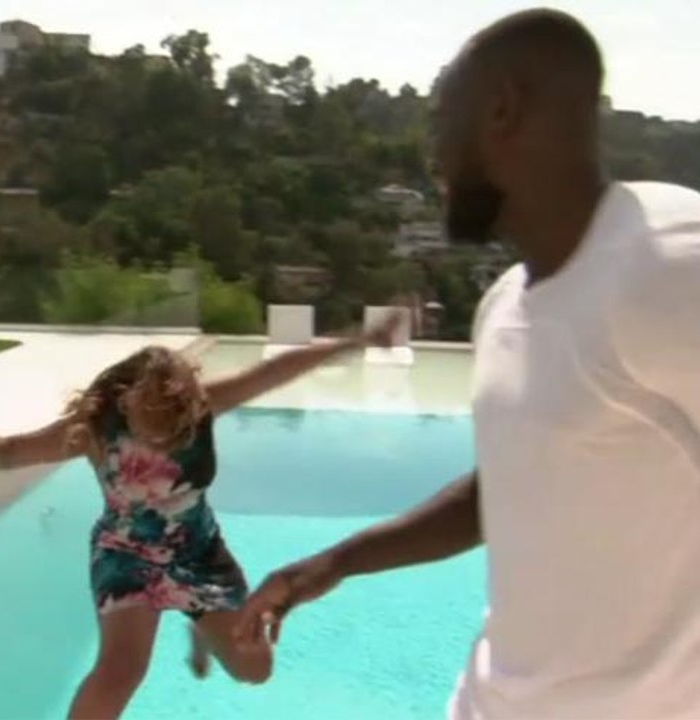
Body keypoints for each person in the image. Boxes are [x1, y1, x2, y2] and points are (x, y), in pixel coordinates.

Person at [235, 9, 700, 720]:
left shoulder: (666, 263)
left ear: (500, 110)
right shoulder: (507, 304)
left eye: (438, 127)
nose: (433, 159)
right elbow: (506, 486)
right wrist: (334, 561)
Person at [0, 313, 401, 720]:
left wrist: (357, 341)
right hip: (126, 556)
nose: (163, 431)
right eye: (151, 417)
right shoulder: (96, 428)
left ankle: (198, 626)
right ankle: (194, 622)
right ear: (126, 401)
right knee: (120, 672)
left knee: (255, 669)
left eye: (173, 419)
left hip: (199, 552)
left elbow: (280, 369)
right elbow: (13, 452)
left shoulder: (204, 408)